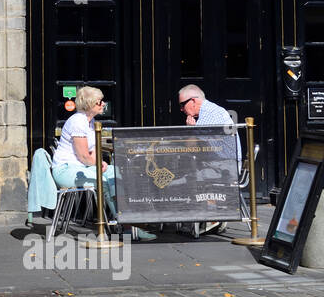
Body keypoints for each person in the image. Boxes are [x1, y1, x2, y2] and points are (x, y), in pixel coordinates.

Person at [51, 87, 155, 242]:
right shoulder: (78, 121)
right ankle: (122, 227)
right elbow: (84, 156)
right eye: (99, 101)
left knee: (117, 173)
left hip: (81, 168)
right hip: (66, 170)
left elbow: (91, 154)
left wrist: (101, 164)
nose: (103, 104)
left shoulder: (91, 122)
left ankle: (127, 221)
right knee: (104, 182)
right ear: (89, 103)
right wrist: (99, 164)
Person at [177, 84, 240, 236]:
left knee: (179, 182)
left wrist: (191, 130)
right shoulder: (209, 112)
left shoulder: (209, 115)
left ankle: (212, 215)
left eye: (182, 105)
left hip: (224, 169)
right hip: (220, 165)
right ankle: (210, 214)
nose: (181, 109)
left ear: (193, 101)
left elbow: (190, 147)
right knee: (185, 174)